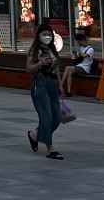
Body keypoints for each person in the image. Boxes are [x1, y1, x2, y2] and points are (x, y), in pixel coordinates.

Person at [26, 23, 64, 160]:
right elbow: (28, 68)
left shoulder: (53, 49)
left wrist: (60, 84)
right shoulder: (35, 50)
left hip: (52, 85)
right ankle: (50, 149)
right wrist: (40, 63)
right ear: (38, 36)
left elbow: (57, 69)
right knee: (46, 117)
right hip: (40, 84)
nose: (47, 37)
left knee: (57, 117)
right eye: (44, 34)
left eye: (49, 34)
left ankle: (35, 135)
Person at [61, 30, 95, 96]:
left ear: (83, 40)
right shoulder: (81, 47)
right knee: (69, 71)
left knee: (68, 68)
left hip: (85, 68)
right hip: (79, 66)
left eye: (79, 42)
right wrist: (75, 54)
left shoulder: (90, 49)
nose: (79, 43)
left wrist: (78, 52)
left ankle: (61, 86)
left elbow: (84, 55)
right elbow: (77, 57)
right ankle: (68, 91)